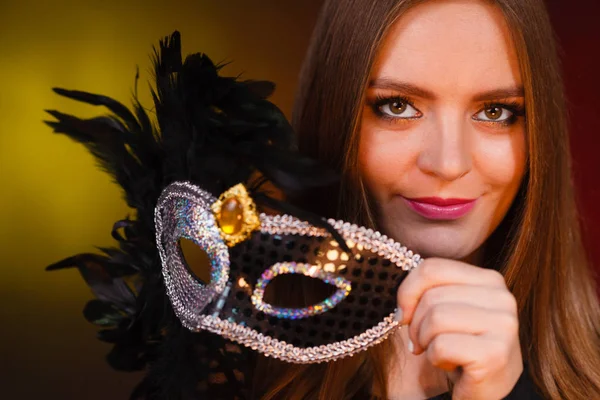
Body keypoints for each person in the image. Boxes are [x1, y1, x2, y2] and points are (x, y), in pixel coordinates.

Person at [249, 0, 600, 399]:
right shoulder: (222, 371)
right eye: (397, 106)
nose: (449, 164)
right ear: (334, 116)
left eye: (495, 111)